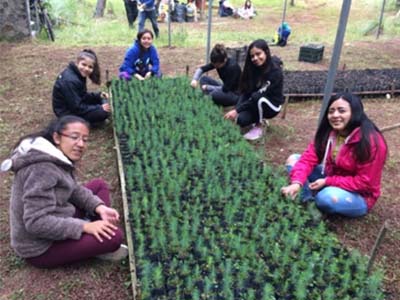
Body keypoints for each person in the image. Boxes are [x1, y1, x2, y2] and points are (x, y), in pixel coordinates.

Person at [0, 116, 128, 268]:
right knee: (114, 238)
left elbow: (72, 189)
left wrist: (99, 207)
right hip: (41, 246)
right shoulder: (41, 169)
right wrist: (84, 227)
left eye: (85, 139)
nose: (81, 144)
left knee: (98, 185)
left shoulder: (54, 156)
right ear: (57, 137)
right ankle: (95, 238)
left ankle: (95, 231)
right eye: (74, 137)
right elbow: (36, 223)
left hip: (59, 214)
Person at [281, 92, 387, 217]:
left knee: (326, 198)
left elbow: (364, 182)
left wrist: (328, 181)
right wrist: (297, 183)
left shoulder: (371, 142)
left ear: (355, 112)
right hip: (332, 177)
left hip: (360, 194)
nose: (335, 115)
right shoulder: (329, 133)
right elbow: (308, 159)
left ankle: (314, 202)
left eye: (341, 111)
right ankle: (306, 200)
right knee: (294, 159)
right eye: (331, 111)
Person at [224, 39, 284, 140]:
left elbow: (258, 95)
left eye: (258, 54)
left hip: (271, 105)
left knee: (258, 98)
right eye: (252, 56)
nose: (255, 58)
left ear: (266, 52)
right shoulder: (253, 68)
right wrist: (237, 110)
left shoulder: (275, 72)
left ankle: (260, 125)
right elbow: (246, 91)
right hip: (255, 101)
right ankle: (257, 117)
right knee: (241, 120)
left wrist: (237, 110)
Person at [52, 49, 110, 126]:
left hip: (73, 105)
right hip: (66, 113)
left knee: (101, 99)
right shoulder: (70, 81)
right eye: (83, 64)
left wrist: (98, 95)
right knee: (103, 113)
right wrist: (99, 108)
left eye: (90, 67)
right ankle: (87, 123)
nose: (86, 69)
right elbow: (77, 108)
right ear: (77, 63)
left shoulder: (77, 75)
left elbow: (82, 95)